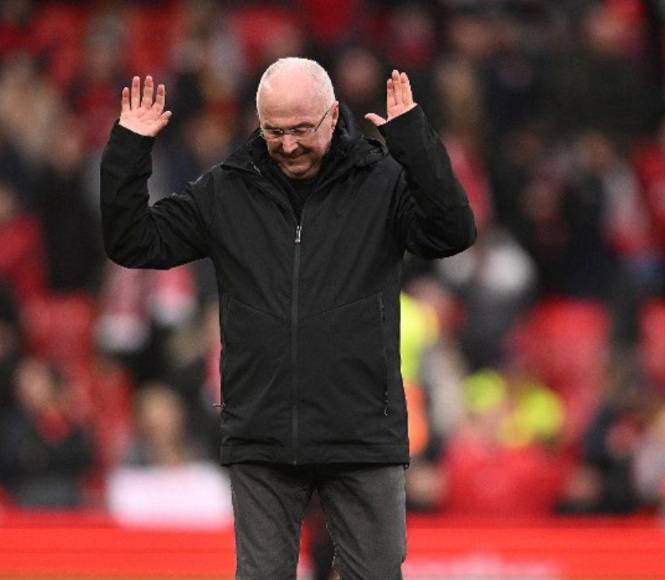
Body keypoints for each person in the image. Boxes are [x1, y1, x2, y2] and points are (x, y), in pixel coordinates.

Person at [100, 58, 476, 579]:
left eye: (302, 130)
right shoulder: (225, 189)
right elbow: (133, 240)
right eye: (275, 131)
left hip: (361, 432)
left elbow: (453, 231)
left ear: (333, 116)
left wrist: (411, 137)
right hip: (263, 434)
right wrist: (129, 147)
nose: (290, 145)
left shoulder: (380, 180)